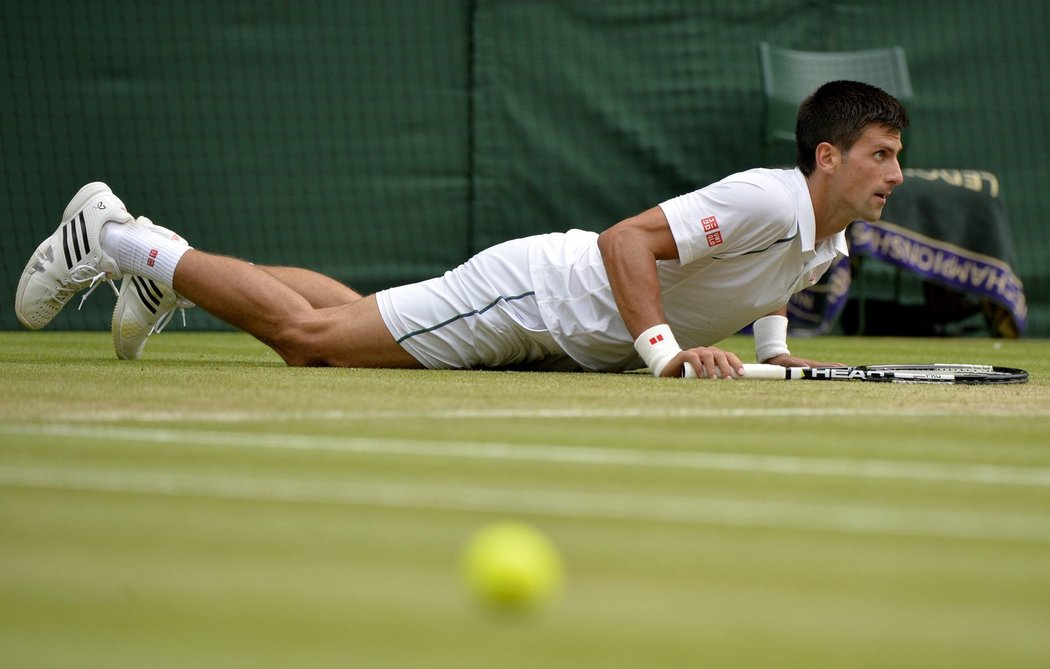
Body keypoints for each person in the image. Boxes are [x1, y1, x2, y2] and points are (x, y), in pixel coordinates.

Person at [15, 80, 907, 379]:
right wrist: (667, 352)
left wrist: (777, 348)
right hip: (540, 298)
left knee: (359, 311)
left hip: (560, 326)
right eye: (881, 154)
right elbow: (624, 242)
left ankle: (168, 265)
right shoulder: (766, 197)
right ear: (827, 157)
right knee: (313, 344)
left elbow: (767, 287)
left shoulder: (824, 235)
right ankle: (117, 238)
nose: (896, 174)